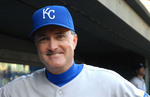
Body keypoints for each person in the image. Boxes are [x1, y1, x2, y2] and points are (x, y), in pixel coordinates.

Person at [0, 5, 149, 97]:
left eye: (60, 36)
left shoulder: (108, 81)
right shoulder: (14, 91)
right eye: (44, 39)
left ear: (74, 41)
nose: (52, 46)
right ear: (36, 45)